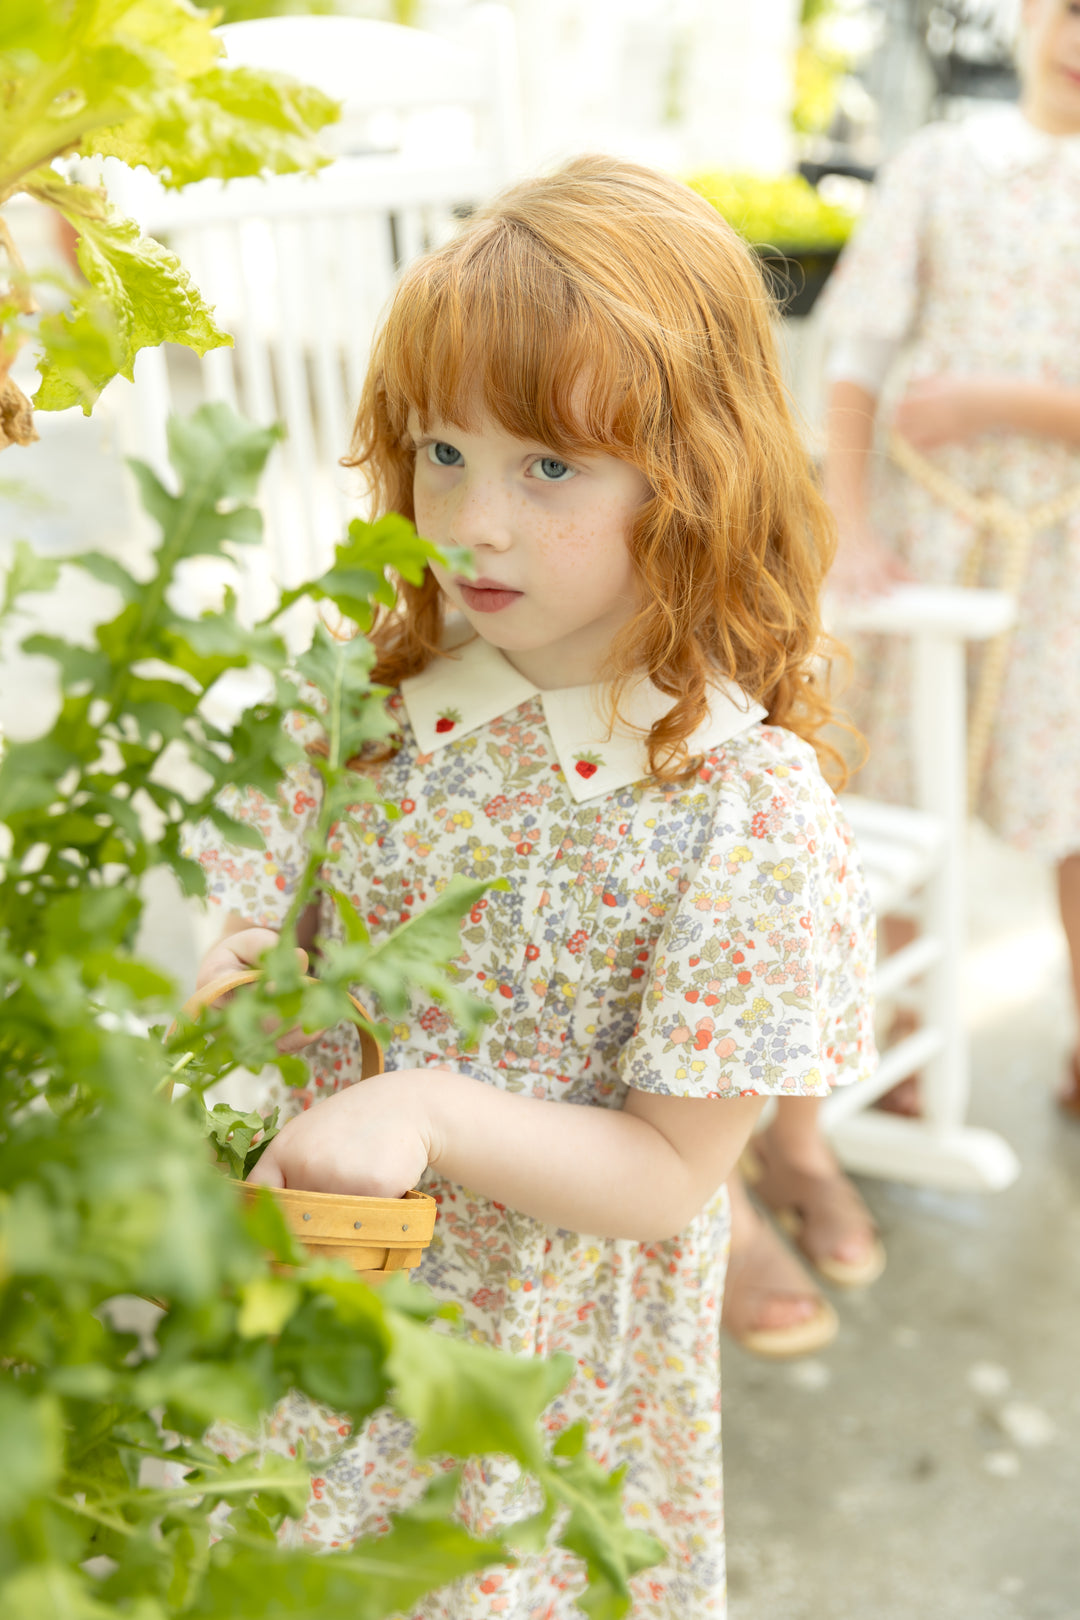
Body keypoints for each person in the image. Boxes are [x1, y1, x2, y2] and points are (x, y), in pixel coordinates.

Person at [189, 155, 875, 1618]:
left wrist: (428, 1109)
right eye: (442, 451)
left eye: (547, 466)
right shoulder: (364, 697)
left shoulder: (738, 810)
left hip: (538, 1396)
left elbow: (669, 1174)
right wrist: (239, 978)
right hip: (308, 1312)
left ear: (692, 474)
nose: (472, 522)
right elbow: (248, 903)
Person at [819, 0, 1080, 1118]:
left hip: (1061, 547)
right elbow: (858, 352)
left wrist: (990, 401)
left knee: (1069, 807)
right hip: (930, 535)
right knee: (903, 783)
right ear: (1030, 17)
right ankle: (907, 1040)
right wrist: (851, 521)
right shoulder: (942, 164)